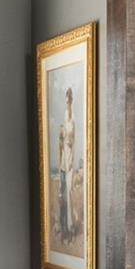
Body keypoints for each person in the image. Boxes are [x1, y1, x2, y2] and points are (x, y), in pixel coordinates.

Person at [57, 87, 76, 239]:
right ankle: (64, 227)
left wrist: (65, 136)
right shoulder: (65, 117)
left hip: (69, 163)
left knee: (68, 194)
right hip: (63, 162)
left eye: (68, 101)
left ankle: (70, 227)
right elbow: (62, 143)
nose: (67, 105)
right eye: (66, 102)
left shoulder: (72, 120)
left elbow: (70, 141)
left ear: (71, 101)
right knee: (62, 194)